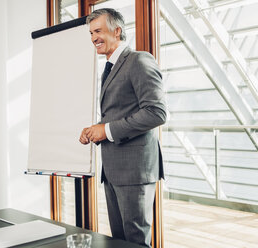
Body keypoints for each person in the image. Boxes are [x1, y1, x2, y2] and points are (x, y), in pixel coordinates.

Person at [79, 8, 167, 248]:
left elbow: (156, 113)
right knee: (119, 241)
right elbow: (118, 112)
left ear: (117, 31)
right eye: (91, 33)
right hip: (114, 169)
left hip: (134, 170)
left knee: (136, 241)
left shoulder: (139, 60)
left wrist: (106, 130)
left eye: (98, 31)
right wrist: (96, 130)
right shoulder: (109, 67)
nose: (93, 38)